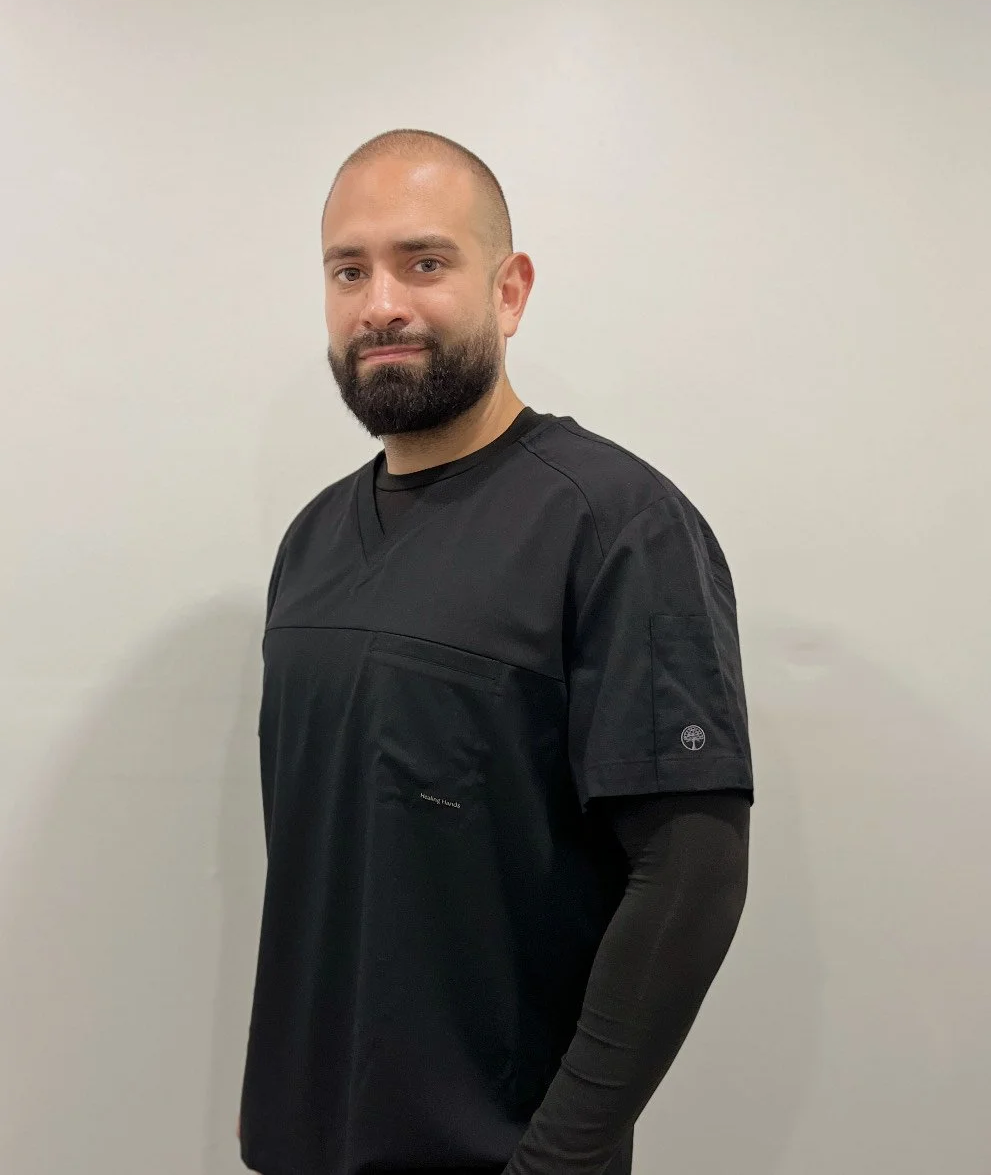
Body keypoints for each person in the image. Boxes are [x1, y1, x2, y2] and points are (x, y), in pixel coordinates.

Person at [238, 128, 753, 1175]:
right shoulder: (311, 539)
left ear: (507, 290)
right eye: (349, 270)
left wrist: (557, 1158)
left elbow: (690, 870)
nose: (380, 301)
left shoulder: (614, 524)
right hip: (302, 1138)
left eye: (423, 262)